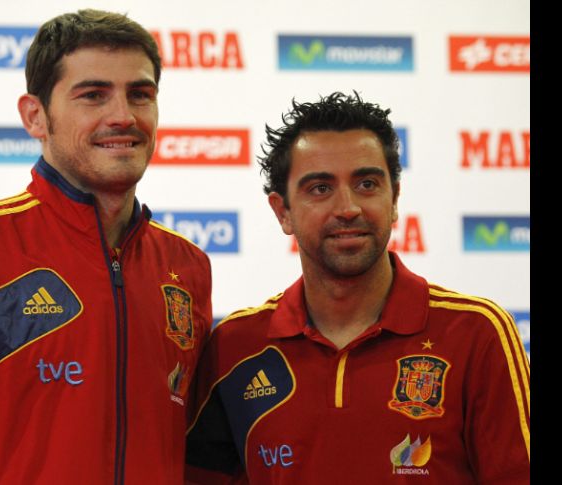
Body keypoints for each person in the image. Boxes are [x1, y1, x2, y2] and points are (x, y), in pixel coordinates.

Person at [0, 9, 212, 484]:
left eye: (140, 94)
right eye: (93, 95)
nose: (123, 116)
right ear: (35, 116)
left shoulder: (187, 265)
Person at [184, 91, 529, 484]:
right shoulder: (234, 346)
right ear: (283, 212)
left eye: (366, 183)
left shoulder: (477, 332)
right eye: (320, 188)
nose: (348, 207)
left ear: (395, 199)